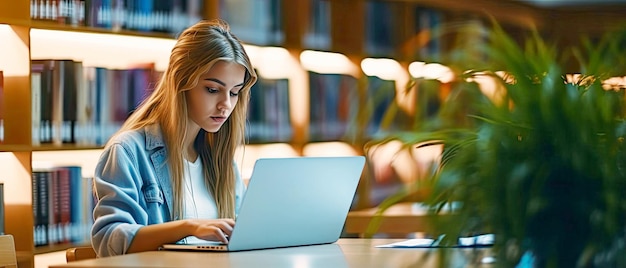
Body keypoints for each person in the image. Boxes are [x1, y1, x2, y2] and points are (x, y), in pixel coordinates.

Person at [91, 19, 258, 257]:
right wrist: (189, 227)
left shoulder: (222, 162)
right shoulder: (127, 152)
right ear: (181, 82)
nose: (226, 105)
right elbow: (110, 240)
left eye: (234, 92)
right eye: (212, 89)